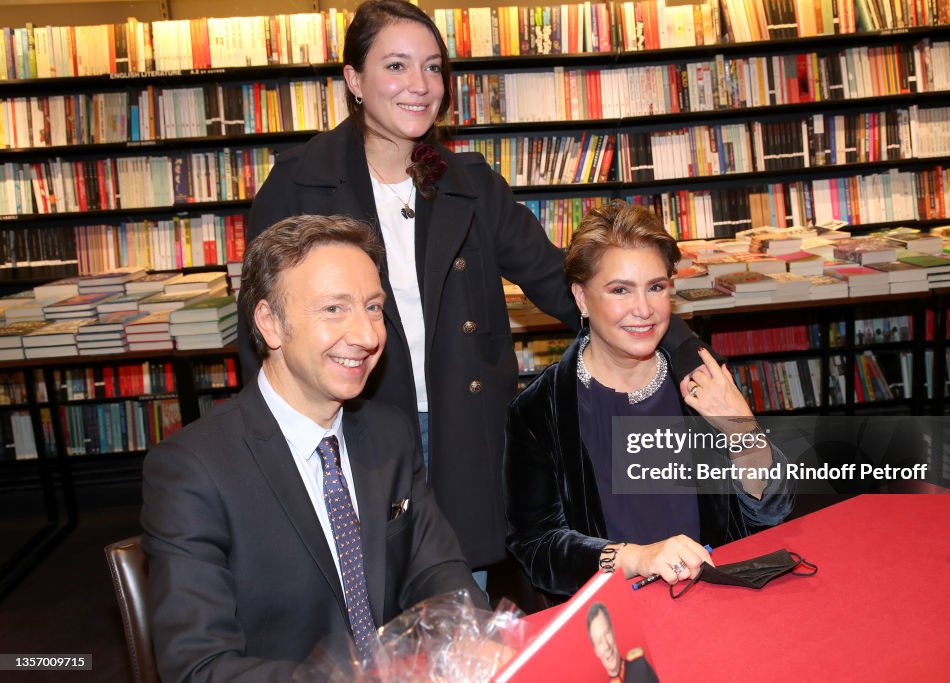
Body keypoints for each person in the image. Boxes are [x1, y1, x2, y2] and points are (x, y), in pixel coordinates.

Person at [239, 0, 581, 574]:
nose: (420, 85)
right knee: (360, 605)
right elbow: (258, 323)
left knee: (459, 606)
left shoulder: (471, 182)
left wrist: (675, 346)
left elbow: (559, 282)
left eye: (432, 67)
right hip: (346, 428)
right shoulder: (297, 182)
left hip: (462, 425)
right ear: (353, 79)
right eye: (396, 66)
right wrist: (266, 449)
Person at [142, 214, 487, 681]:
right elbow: (198, 668)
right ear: (270, 323)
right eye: (334, 309)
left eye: (372, 307)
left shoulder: (389, 433)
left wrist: (472, 640)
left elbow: (439, 572)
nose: (368, 336)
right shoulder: (193, 471)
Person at [504, 202, 795, 597]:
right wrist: (635, 558)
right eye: (620, 290)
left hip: (718, 600)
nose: (643, 310)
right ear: (582, 298)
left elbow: (771, 512)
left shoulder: (702, 382)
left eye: (656, 287)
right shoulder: (539, 410)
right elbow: (539, 549)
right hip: (615, 619)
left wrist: (744, 431)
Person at [586, 603, 659, 683]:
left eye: (607, 633)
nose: (606, 646)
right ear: (596, 651)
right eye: (599, 642)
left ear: (613, 631)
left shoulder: (640, 667)